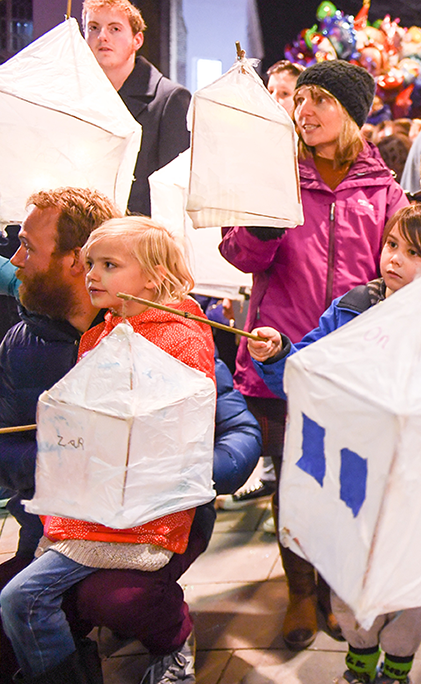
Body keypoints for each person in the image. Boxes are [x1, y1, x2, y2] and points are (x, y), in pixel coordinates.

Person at [0, 189, 260, 684]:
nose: (14, 261)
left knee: (113, 598)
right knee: (14, 615)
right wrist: (59, 456)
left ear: (70, 261)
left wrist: (185, 472)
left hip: (152, 518)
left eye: (29, 248)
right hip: (62, 519)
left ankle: (171, 642)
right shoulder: (30, 341)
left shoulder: (178, 331)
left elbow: (233, 429)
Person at [220, 58, 408, 651]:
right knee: (295, 480)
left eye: (320, 100)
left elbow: (403, 266)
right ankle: (301, 590)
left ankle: (332, 586)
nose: (304, 112)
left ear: (351, 113)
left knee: (347, 474)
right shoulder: (276, 176)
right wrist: (266, 227)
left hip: (358, 360)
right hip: (282, 351)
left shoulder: (382, 187)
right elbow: (238, 255)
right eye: (301, 101)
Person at [247, 203, 421, 684]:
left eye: (415, 254)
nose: (394, 259)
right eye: (392, 245)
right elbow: (303, 370)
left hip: (416, 480)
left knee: (406, 586)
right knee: (348, 584)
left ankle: (397, 669)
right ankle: (359, 659)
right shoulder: (353, 307)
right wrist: (279, 351)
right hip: (351, 472)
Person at [223, 61, 305, 511]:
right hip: (275, 335)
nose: (278, 101)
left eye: (288, 93)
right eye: (271, 91)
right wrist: (264, 227)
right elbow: (237, 252)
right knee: (284, 454)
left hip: (330, 332)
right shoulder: (258, 166)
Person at [83, 0, 191, 216]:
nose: (102, 36)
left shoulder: (169, 99)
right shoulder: (78, 96)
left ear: (137, 39)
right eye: (93, 27)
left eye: (115, 29)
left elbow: (173, 194)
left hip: (139, 240)